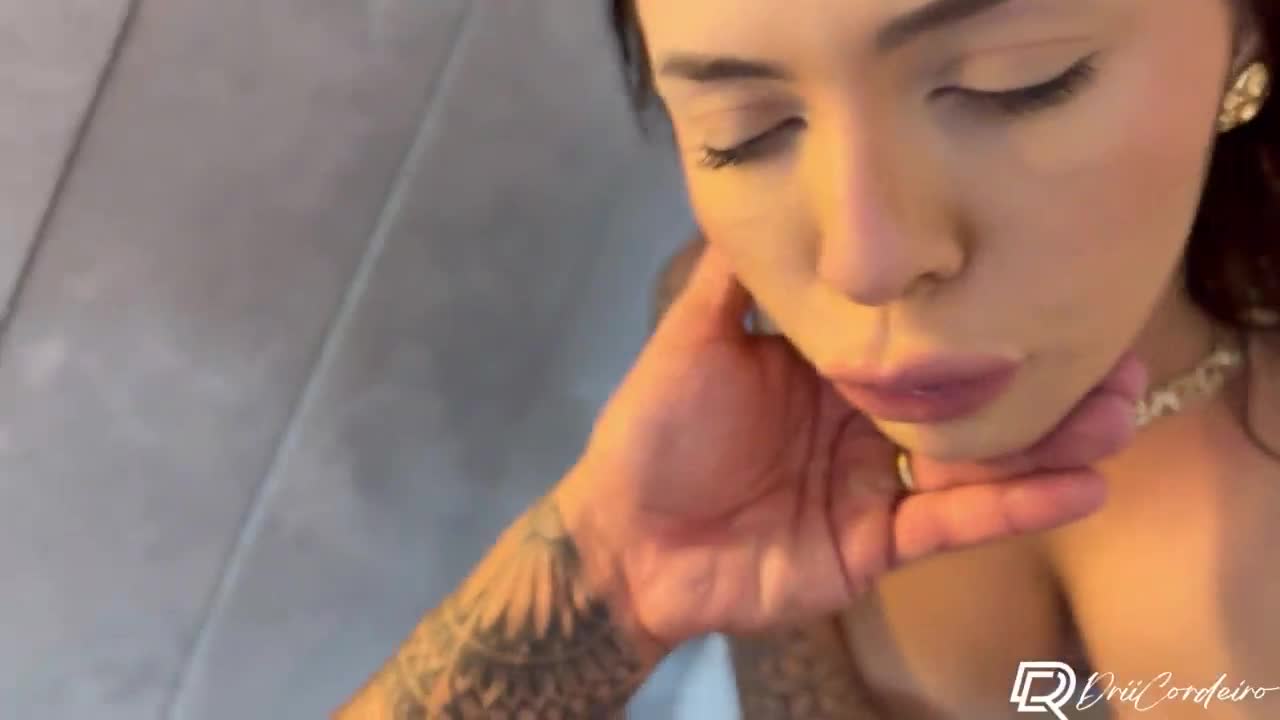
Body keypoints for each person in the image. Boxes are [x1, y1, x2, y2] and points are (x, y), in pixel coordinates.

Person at [337, 0, 1280, 717]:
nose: (863, 263)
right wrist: (616, 578)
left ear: (1247, 32)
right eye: (742, 133)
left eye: (1014, 81)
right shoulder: (750, 389)